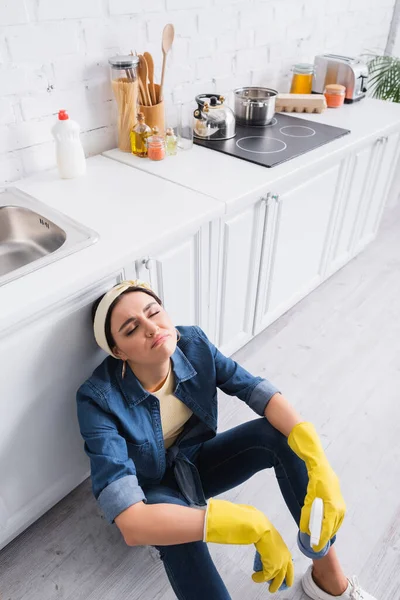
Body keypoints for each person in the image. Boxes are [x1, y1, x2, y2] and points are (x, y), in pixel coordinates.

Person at [76, 279, 377, 600]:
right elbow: (132, 524)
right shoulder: (97, 398)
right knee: (180, 537)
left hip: (194, 464)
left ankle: (327, 578)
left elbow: (256, 391)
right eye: (132, 328)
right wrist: (243, 523)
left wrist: (319, 464)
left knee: (277, 435)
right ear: (118, 350)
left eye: (154, 312)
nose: (152, 328)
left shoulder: (192, 343)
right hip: (149, 490)